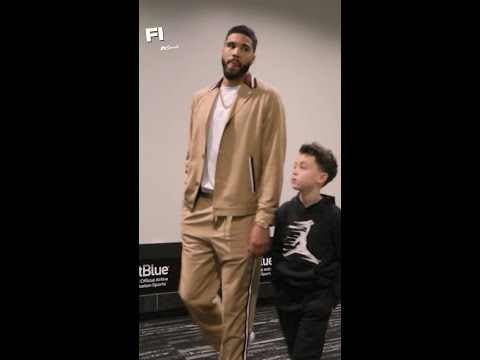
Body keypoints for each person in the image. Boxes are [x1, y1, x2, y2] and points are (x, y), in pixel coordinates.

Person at [178, 25, 287, 360]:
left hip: (242, 218)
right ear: (222, 50)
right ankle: (236, 335)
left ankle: (235, 343)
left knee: (238, 306)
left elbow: (272, 164)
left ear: (253, 55)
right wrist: (187, 198)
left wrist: (262, 220)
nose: (236, 52)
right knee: (192, 294)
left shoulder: (267, 98)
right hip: (198, 212)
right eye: (231, 45)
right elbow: (192, 154)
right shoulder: (201, 97)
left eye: (244, 47)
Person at [270, 142, 341, 359]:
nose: (294, 171)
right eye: (294, 165)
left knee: (305, 355)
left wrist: (331, 297)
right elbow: (276, 251)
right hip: (287, 297)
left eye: (303, 166)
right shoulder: (284, 212)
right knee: (295, 351)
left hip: (317, 299)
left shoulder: (334, 216)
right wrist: (279, 284)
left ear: (321, 177)